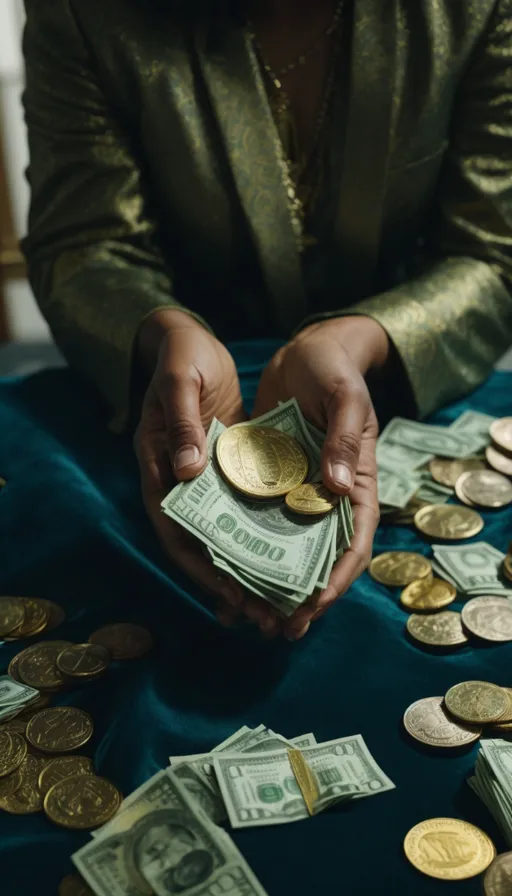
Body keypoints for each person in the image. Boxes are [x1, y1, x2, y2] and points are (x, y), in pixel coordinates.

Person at [21, 0, 512, 640]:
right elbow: (83, 247)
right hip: (172, 400)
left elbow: (490, 254)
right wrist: (167, 330)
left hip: (405, 381)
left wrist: (360, 337)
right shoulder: (83, 13)